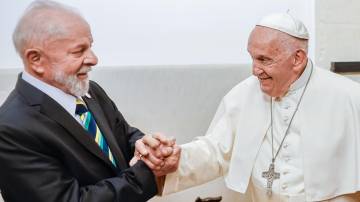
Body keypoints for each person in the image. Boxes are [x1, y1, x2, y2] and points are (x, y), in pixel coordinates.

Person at [136, 13, 360, 201]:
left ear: (297, 59)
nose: (255, 70)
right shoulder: (245, 94)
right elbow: (215, 151)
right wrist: (175, 159)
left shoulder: (349, 97)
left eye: (264, 60)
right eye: (252, 58)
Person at [0, 1, 179, 201]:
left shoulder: (90, 90)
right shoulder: (10, 130)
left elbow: (123, 136)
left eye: (90, 47)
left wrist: (151, 149)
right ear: (36, 60)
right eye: (79, 51)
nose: (94, 59)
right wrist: (149, 173)